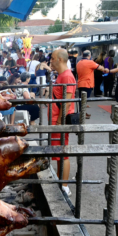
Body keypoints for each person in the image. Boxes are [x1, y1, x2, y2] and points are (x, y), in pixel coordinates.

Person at [49, 48, 78, 195]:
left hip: (59, 121)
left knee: (63, 152)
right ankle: (61, 182)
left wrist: (59, 122)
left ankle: (65, 186)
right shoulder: (61, 75)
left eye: (53, 58)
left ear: (59, 59)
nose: (51, 61)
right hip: (56, 119)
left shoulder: (67, 76)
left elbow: (67, 101)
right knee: (59, 152)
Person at [75, 50, 103, 119]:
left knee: (81, 99)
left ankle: (82, 113)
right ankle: (82, 114)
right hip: (87, 84)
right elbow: (100, 68)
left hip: (80, 83)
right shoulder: (90, 62)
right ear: (89, 56)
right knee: (84, 100)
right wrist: (107, 70)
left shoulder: (79, 63)